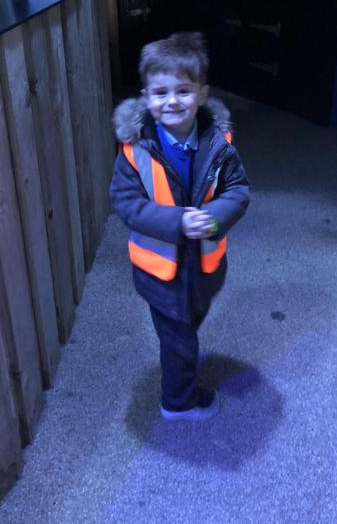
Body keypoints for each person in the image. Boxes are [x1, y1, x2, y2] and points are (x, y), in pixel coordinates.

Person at [110, 32, 250, 421]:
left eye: (183, 91)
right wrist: (177, 221)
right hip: (161, 275)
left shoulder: (219, 144)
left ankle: (180, 371)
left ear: (202, 94)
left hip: (204, 268)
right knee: (179, 341)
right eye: (160, 93)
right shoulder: (135, 150)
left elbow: (238, 189)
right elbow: (126, 203)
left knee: (192, 320)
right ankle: (178, 401)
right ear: (146, 97)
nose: (172, 101)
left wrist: (216, 216)